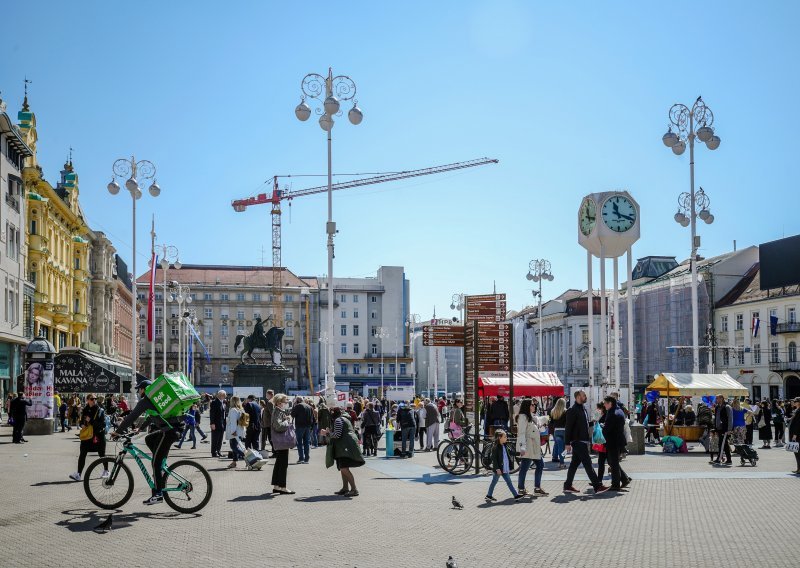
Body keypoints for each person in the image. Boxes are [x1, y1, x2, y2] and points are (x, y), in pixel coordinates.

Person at [112, 379, 186, 505]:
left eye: (139, 389)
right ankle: (161, 462)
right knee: (149, 438)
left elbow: (132, 416)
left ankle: (158, 494)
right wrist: (139, 429)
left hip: (169, 432)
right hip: (174, 429)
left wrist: (118, 431)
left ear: (144, 389)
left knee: (155, 463)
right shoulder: (155, 399)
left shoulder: (146, 400)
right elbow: (151, 416)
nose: (138, 392)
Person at [563, 390, 608, 494]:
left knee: (574, 464)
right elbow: (568, 428)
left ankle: (567, 485)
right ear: (578, 396)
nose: (586, 396)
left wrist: (595, 420)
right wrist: (567, 443)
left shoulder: (583, 409)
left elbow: (585, 424)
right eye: (584, 395)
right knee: (588, 463)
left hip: (583, 440)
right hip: (578, 441)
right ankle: (597, 486)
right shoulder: (572, 410)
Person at [323, 406, 365, 497]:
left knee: (344, 468)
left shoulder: (338, 420)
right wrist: (330, 432)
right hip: (345, 446)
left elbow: (337, 435)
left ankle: (354, 489)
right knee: (343, 468)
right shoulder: (343, 419)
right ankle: (345, 488)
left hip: (344, 447)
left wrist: (326, 433)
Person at [69, 394, 108, 481]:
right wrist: (82, 424)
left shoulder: (100, 410)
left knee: (102, 454)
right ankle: (78, 474)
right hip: (87, 436)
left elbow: (103, 425)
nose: (94, 400)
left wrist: (91, 421)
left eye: (95, 399)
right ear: (87, 400)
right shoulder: (85, 410)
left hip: (98, 436)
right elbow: (82, 420)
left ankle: (106, 470)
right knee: (82, 454)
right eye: (92, 399)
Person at [516, 399, 547, 497]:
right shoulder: (523, 417)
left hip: (534, 446)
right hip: (528, 445)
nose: (534, 406)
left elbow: (538, 429)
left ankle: (536, 488)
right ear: (527, 406)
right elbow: (521, 433)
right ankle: (521, 489)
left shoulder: (532, 416)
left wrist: (543, 423)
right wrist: (522, 447)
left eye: (534, 404)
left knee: (540, 465)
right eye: (532, 404)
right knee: (525, 467)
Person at [602, 396, 631, 491]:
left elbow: (607, 429)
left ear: (610, 403)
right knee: (612, 462)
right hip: (617, 440)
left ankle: (615, 484)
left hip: (613, 441)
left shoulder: (612, 413)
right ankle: (624, 479)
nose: (604, 405)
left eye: (605, 403)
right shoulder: (619, 411)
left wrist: (601, 429)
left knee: (613, 462)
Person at [485, 430, 523, 503]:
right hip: (499, 469)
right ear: (499, 437)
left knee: (506, 482)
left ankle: (489, 495)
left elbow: (511, 452)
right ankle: (516, 495)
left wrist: (519, 453)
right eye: (505, 437)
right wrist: (497, 469)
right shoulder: (495, 447)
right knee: (496, 482)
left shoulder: (505, 445)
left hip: (504, 468)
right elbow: (494, 459)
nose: (506, 438)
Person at [270, 394, 294, 494]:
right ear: (279, 403)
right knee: (283, 464)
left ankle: (277, 486)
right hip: (282, 441)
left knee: (279, 463)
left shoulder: (278, 411)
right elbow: (278, 426)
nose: (286, 403)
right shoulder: (278, 412)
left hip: (280, 441)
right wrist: (287, 421)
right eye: (285, 402)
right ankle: (282, 487)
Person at [710, 395, 733, 465]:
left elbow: (730, 418)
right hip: (719, 428)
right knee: (725, 444)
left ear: (722, 399)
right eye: (716, 398)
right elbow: (716, 418)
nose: (716, 399)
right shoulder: (717, 407)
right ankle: (729, 460)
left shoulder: (727, 407)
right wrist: (715, 428)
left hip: (725, 428)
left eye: (718, 398)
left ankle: (719, 459)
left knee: (721, 444)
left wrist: (729, 429)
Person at [225, 396, 247, 469]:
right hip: (240, 430)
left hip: (234, 431)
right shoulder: (241, 409)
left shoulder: (233, 410)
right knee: (235, 447)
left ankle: (247, 457)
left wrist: (233, 431)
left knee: (234, 447)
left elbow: (233, 422)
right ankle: (234, 462)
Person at [290, 396, 313, 464]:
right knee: (306, 443)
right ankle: (306, 458)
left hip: (300, 426)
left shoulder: (297, 406)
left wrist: (294, 406)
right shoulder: (309, 407)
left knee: (299, 442)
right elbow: (312, 417)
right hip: (308, 426)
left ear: (297, 401)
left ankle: (301, 458)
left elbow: (292, 414)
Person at [549, 398, 567, 469]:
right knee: (565, 448)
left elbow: (552, 422)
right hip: (564, 431)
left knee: (559, 447)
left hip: (556, 431)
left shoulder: (553, 411)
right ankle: (562, 461)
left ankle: (561, 463)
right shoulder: (566, 411)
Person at [209, 390, 227, 458]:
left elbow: (224, 414)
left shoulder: (223, 402)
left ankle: (218, 451)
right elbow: (212, 413)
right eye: (224, 395)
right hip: (216, 423)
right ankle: (214, 452)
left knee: (220, 438)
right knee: (215, 439)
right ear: (220, 395)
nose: (225, 396)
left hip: (222, 423)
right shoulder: (214, 402)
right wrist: (212, 423)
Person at [788, 397, 800, 474]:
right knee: (797, 452)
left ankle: (799, 469)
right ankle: (798, 468)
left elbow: (798, 424)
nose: (794, 403)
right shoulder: (797, 410)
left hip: (797, 435)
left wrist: (795, 434)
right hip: (796, 434)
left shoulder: (799, 411)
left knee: (798, 452)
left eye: (796, 401)